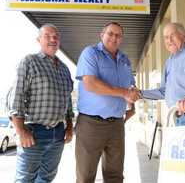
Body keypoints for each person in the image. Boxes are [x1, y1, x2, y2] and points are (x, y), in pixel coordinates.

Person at [75, 22, 140, 183]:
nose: (114, 37)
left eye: (118, 35)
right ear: (101, 35)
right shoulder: (90, 53)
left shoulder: (125, 60)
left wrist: (132, 106)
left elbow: (131, 86)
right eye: (110, 33)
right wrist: (124, 93)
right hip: (91, 124)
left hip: (116, 125)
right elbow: (90, 83)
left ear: (121, 39)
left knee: (115, 175)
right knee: (85, 176)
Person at [8, 24, 74, 183]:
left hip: (58, 134)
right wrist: (20, 130)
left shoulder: (64, 69)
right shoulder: (29, 61)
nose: (53, 39)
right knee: (25, 179)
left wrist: (69, 128)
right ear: (39, 40)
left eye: (56, 36)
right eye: (48, 36)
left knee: (46, 178)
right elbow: (16, 97)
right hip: (33, 132)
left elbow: (68, 102)